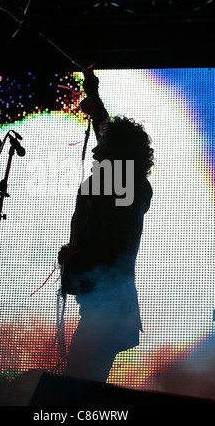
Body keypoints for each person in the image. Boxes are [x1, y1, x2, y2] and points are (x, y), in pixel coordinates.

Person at [58, 68, 154, 382]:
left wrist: (74, 262)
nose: (97, 150)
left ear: (118, 156)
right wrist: (96, 101)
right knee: (80, 387)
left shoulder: (128, 189)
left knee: (76, 391)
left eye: (105, 147)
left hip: (107, 313)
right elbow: (106, 133)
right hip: (103, 311)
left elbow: (110, 250)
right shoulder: (120, 183)